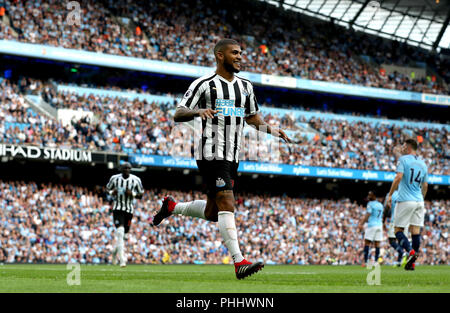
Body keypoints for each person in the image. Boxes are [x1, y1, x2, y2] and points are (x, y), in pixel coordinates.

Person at [151, 38, 292, 279]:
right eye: (234, 53)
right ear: (219, 55)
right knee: (227, 202)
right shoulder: (203, 85)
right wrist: (198, 111)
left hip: (233, 155)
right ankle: (240, 263)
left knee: (213, 212)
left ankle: (172, 207)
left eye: (241, 53)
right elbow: (178, 112)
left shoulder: (246, 87)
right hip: (211, 153)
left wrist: (272, 130)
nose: (239, 57)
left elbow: (252, 118)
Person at [386, 139, 428, 271]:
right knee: (415, 232)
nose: (402, 148)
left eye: (404, 146)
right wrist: (421, 198)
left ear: (409, 147)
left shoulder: (403, 160)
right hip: (419, 201)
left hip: (405, 200)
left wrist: (391, 194)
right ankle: (412, 263)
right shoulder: (423, 164)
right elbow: (425, 185)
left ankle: (410, 252)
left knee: (397, 230)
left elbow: (398, 177)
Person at [106, 162, 144, 267]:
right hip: (117, 209)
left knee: (124, 236)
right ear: (121, 169)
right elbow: (107, 188)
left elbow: (141, 194)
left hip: (129, 210)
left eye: (129, 168)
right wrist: (111, 193)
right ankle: (122, 260)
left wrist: (133, 194)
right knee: (120, 232)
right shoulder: (114, 178)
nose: (127, 169)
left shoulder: (136, 180)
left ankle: (114, 253)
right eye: (125, 168)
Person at [358, 191, 384, 266]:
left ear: (374, 196)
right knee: (377, 244)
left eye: (370, 195)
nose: (369, 196)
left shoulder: (370, 204)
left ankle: (366, 262)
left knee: (367, 243)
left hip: (372, 225)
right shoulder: (380, 205)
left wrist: (361, 224)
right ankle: (376, 262)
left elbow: (368, 214)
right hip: (379, 225)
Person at [383, 189, 407, 267]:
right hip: (405, 221)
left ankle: (402, 253)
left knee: (391, 240)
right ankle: (399, 262)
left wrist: (383, 221)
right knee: (401, 240)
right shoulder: (406, 192)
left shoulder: (391, 194)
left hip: (395, 220)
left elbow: (386, 208)